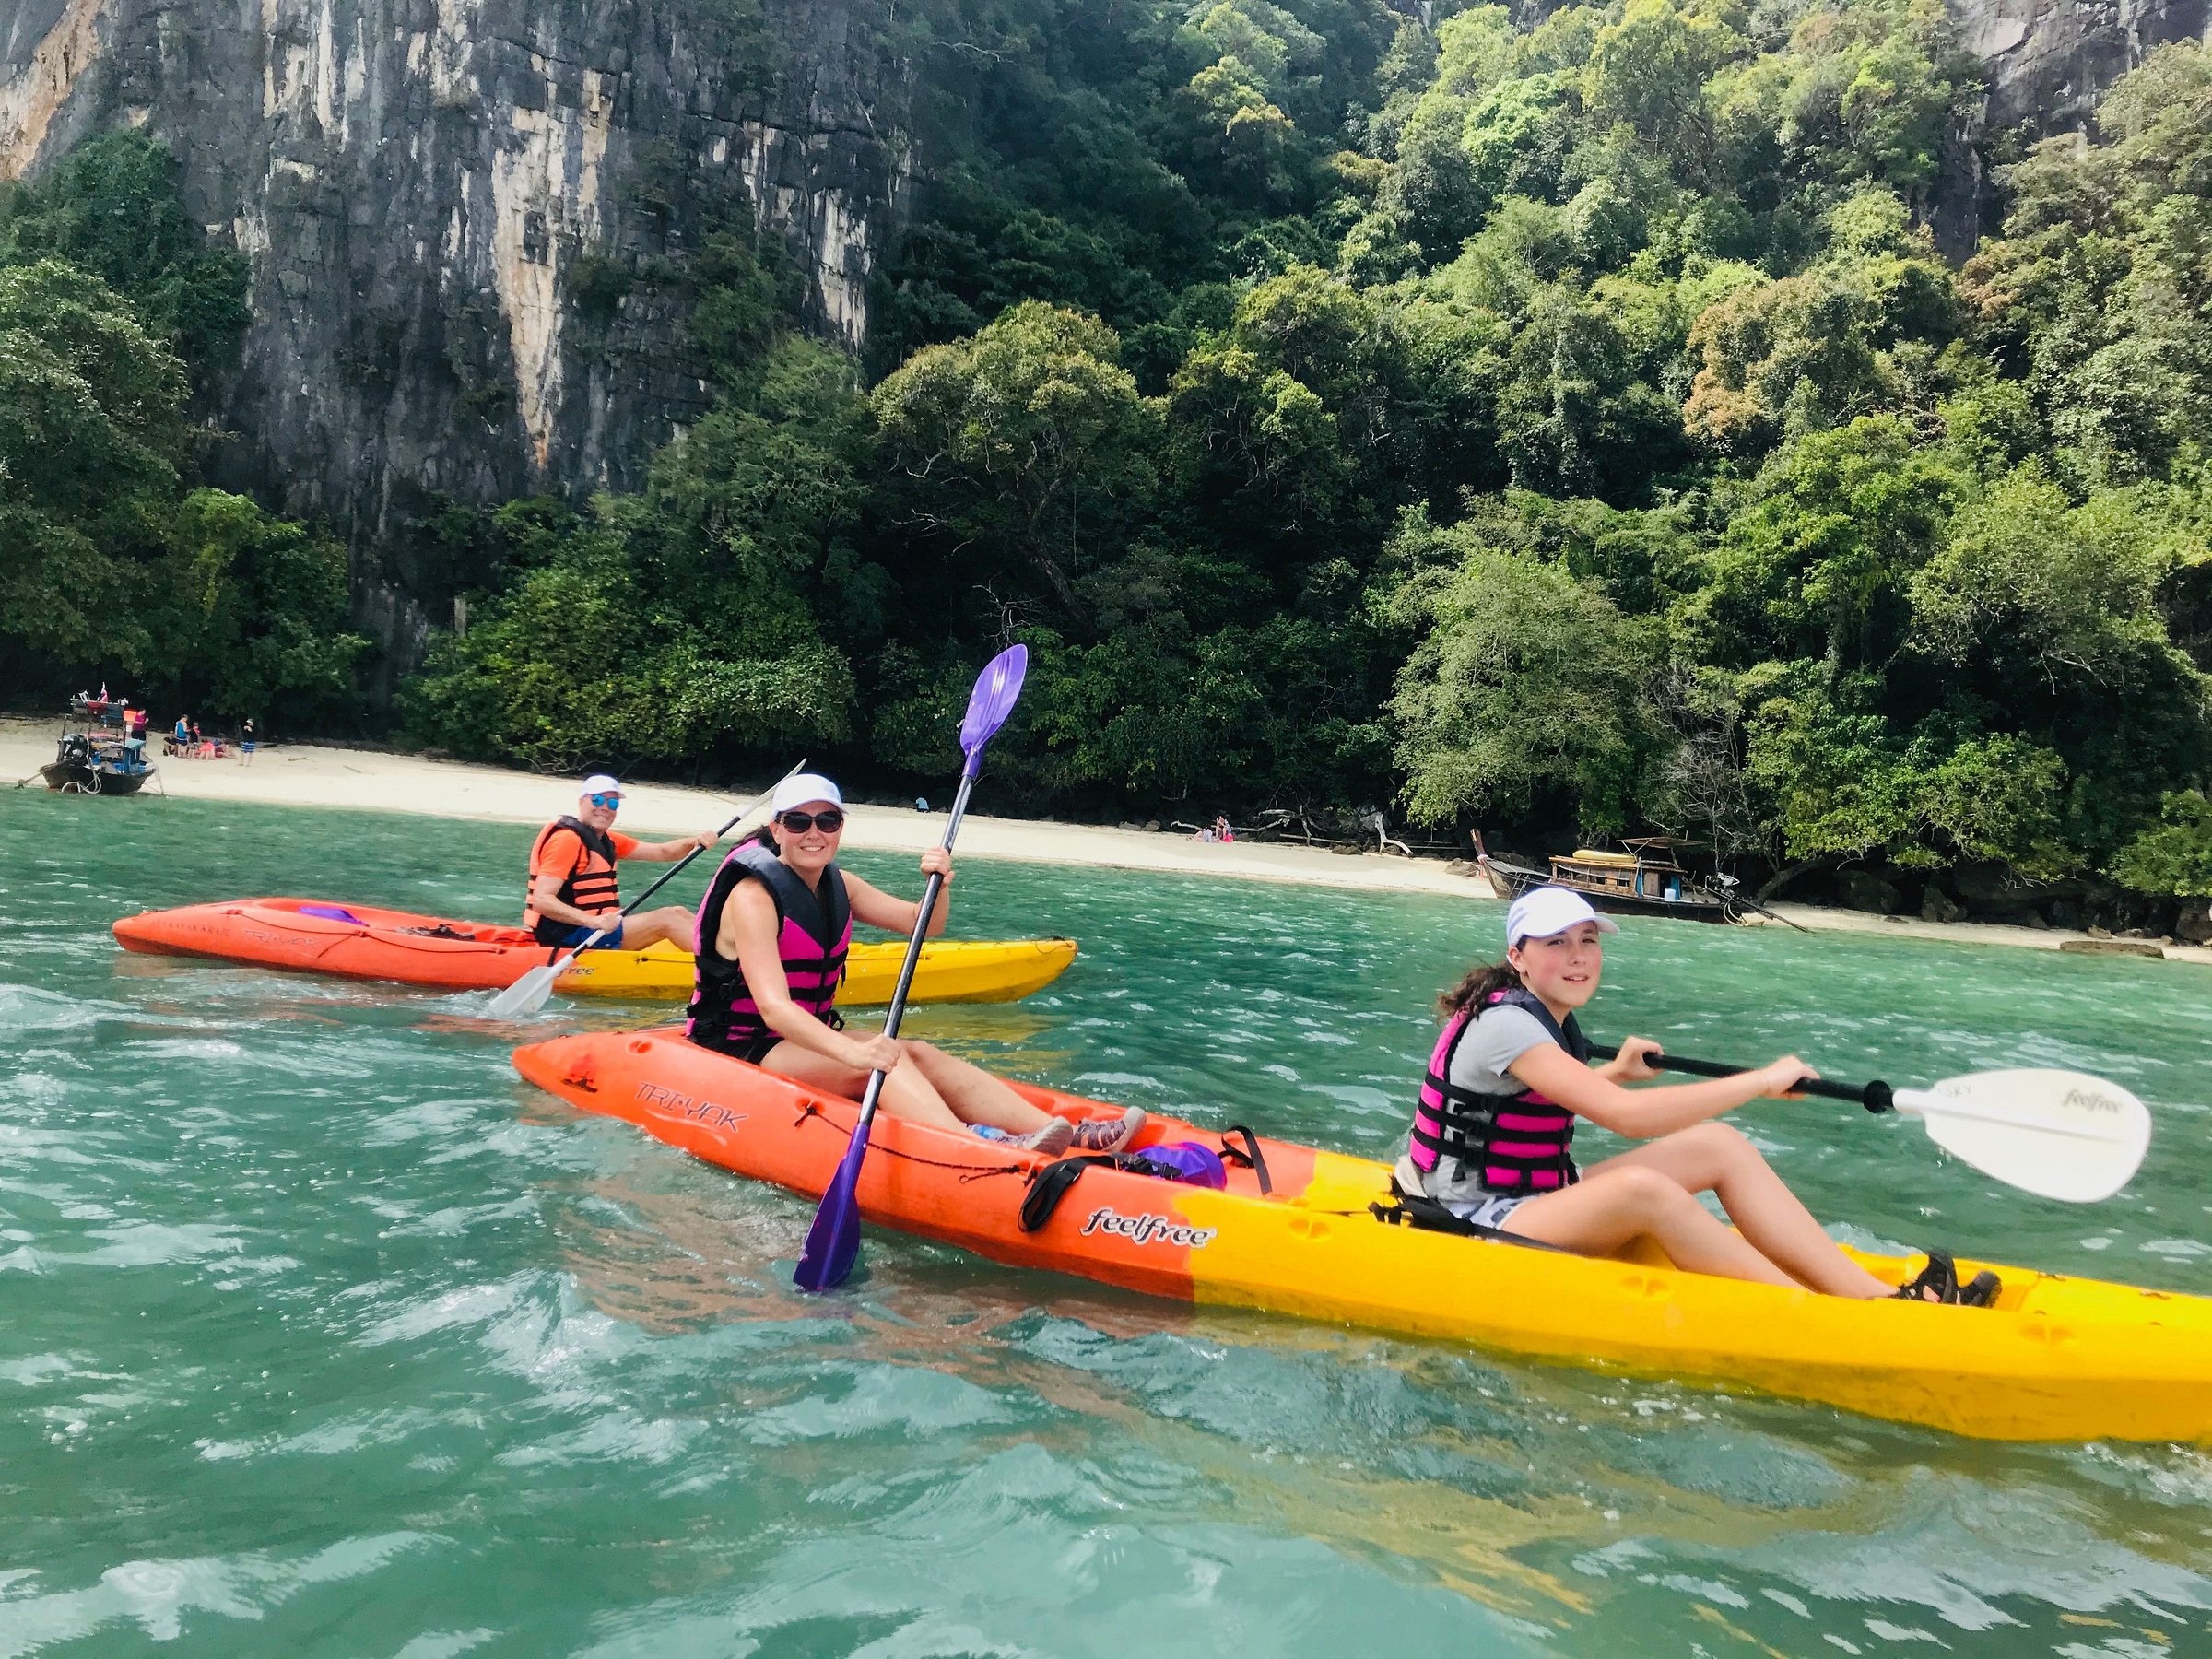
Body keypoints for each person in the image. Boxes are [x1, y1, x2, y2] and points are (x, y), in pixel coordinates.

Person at [1395, 885, 2000, 1306]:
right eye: (1555, 943)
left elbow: (1514, 1108)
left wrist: (1618, 1072)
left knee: (1720, 1146)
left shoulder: (1542, 1015)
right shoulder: (1507, 1023)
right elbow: (1628, 1122)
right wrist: (1758, 1082)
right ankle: (1814, 1315)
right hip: (1474, 1214)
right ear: (1517, 957)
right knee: (1645, 1190)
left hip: (1538, 1191)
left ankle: (1873, 1296)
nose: (1578, 955)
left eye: (1587, 940)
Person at [686, 771, 1144, 1156]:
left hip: (801, 1042)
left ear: (840, 827)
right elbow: (774, 1009)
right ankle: (973, 1145)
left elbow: (921, 924)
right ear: (777, 828)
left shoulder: (840, 884)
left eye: (827, 821)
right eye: (799, 821)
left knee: (916, 1052)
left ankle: (1068, 1134)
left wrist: (938, 885)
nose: (814, 833)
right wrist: (853, 1052)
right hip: (741, 1045)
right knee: (881, 1064)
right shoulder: (753, 898)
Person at [524, 775, 712, 953]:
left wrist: (694, 842)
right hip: (567, 936)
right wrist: (592, 921)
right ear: (582, 802)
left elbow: (663, 852)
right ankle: (720, 969)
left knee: (677, 911)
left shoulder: (608, 841)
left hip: (592, 929)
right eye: (597, 800)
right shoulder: (566, 840)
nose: (605, 807)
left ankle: (726, 955)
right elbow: (542, 900)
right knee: (667, 918)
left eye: (612, 803)